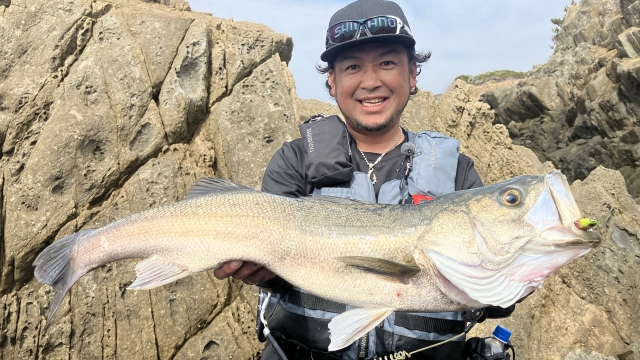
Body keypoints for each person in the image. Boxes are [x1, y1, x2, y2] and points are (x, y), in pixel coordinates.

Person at [214, 0, 515, 358]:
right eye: (352, 66)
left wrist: (516, 276)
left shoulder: (458, 173)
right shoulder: (295, 160)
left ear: (412, 73)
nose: (370, 82)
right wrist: (262, 271)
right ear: (332, 80)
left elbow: (493, 298)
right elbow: (277, 275)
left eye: (387, 62)